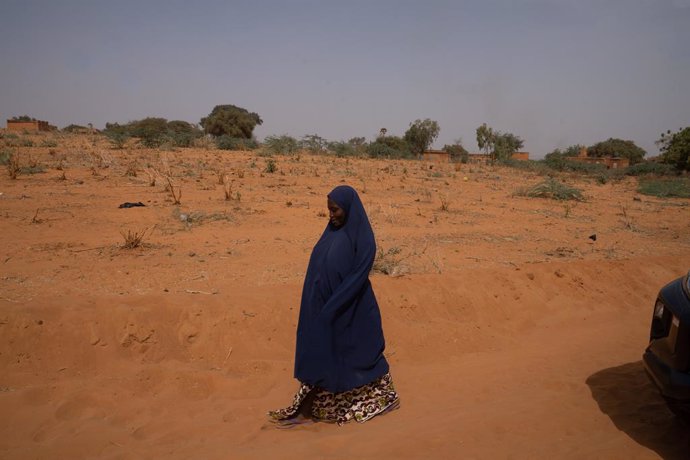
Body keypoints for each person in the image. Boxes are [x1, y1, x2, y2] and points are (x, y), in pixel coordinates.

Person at [269, 185, 399, 426]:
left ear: (349, 209)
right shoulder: (330, 232)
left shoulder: (363, 239)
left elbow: (357, 276)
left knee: (356, 354)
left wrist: (333, 306)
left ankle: (381, 399)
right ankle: (309, 407)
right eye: (329, 210)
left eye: (335, 210)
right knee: (322, 351)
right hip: (325, 307)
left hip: (352, 308)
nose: (331, 215)